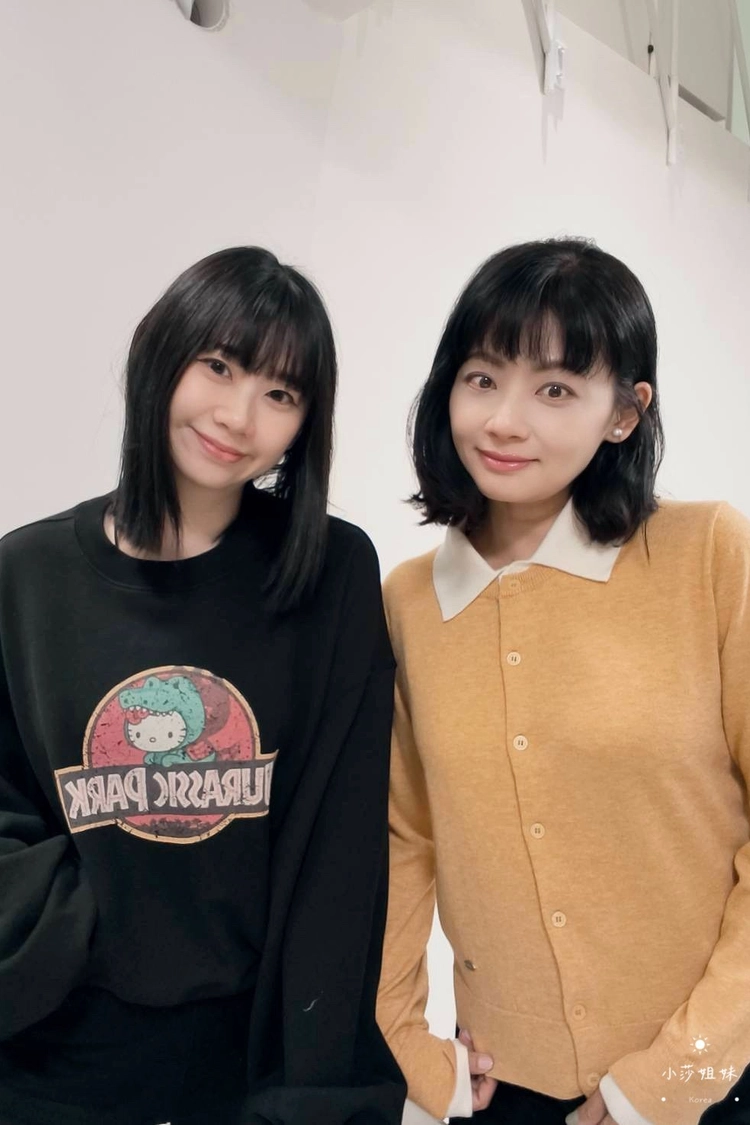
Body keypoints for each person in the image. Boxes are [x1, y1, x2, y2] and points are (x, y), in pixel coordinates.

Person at [0, 247, 405, 1125]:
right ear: (160, 353)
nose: (238, 415)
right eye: (218, 366)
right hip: (52, 1060)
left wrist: (314, 1085)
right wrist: (89, 922)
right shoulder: (26, 575)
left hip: (246, 1064)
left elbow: (341, 850)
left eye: (280, 393)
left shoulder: (330, 575)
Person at [376, 238, 750, 1125]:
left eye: (555, 390)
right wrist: (405, 1046)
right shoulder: (409, 601)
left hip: (711, 1078)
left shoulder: (707, 555)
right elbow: (403, 840)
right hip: (502, 1086)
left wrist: (666, 1082)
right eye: (482, 378)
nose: (505, 422)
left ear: (624, 413)